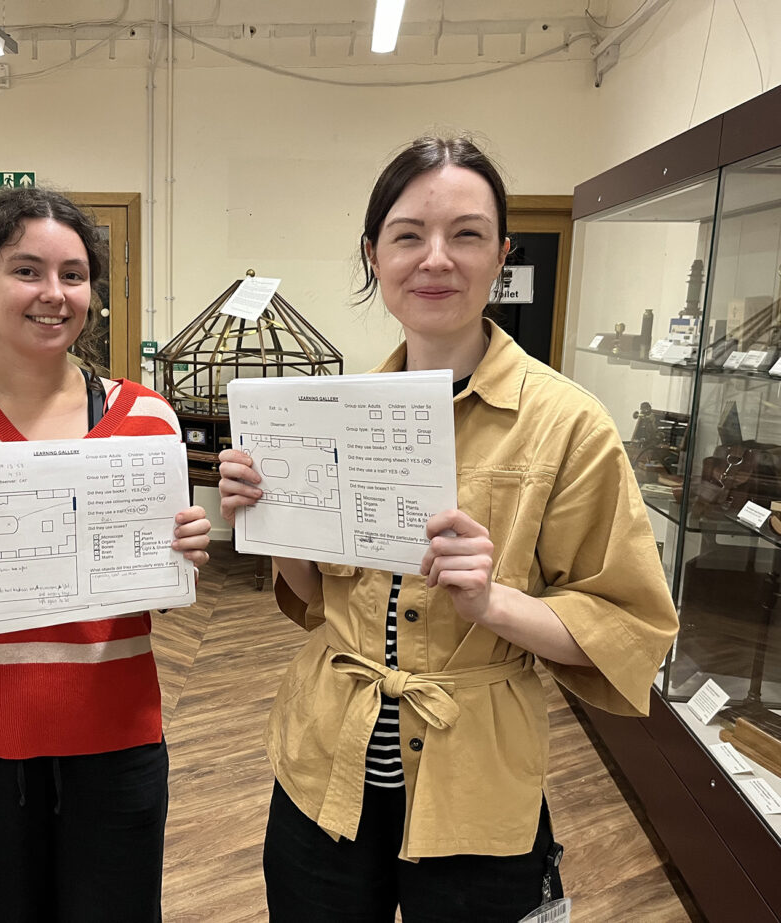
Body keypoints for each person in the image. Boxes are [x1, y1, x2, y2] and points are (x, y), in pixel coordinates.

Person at [218, 137, 679, 922]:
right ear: (373, 255)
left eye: (466, 234)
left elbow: (630, 624)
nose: (436, 258)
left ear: (502, 254)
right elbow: (316, 599)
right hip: (325, 764)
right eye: (408, 235)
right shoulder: (337, 409)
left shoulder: (567, 424)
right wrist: (273, 522)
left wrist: (493, 602)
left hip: (478, 788)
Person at [0, 187, 211, 923]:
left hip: (113, 737)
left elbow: (140, 597)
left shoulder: (145, 416)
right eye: (27, 271)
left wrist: (175, 555)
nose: (54, 294)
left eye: (74, 275)